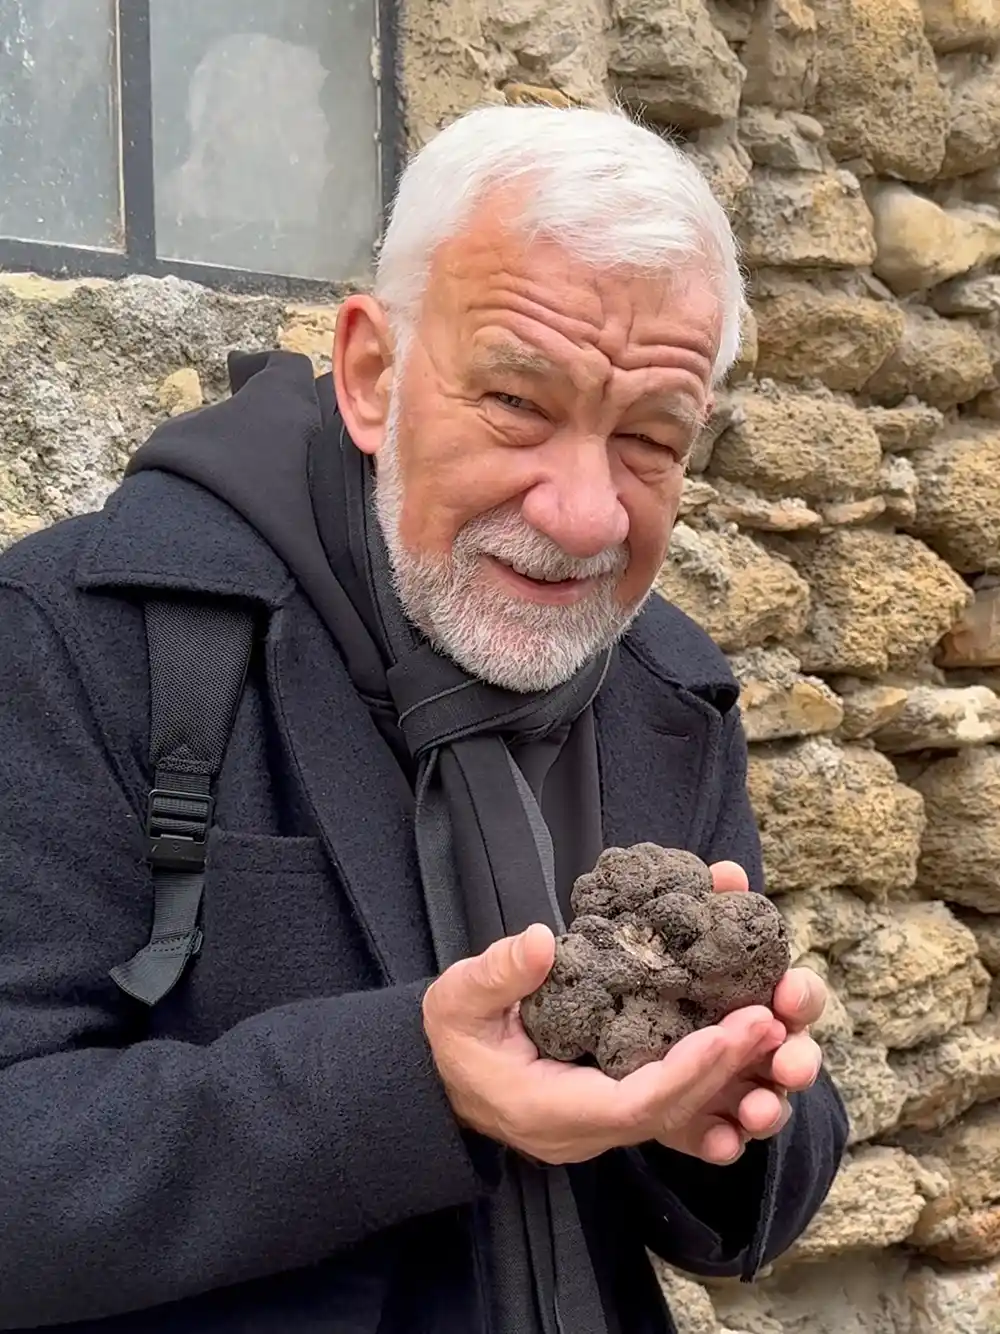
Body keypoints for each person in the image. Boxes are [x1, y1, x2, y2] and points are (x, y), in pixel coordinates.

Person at [0, 104, 848, 1334]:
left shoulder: (669, 684)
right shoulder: (78, 634)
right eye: (515, 401)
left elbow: (763, 1179)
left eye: (649, 440)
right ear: (371, 372)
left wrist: (730, 1103)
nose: (580, 514)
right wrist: (418, 1080)